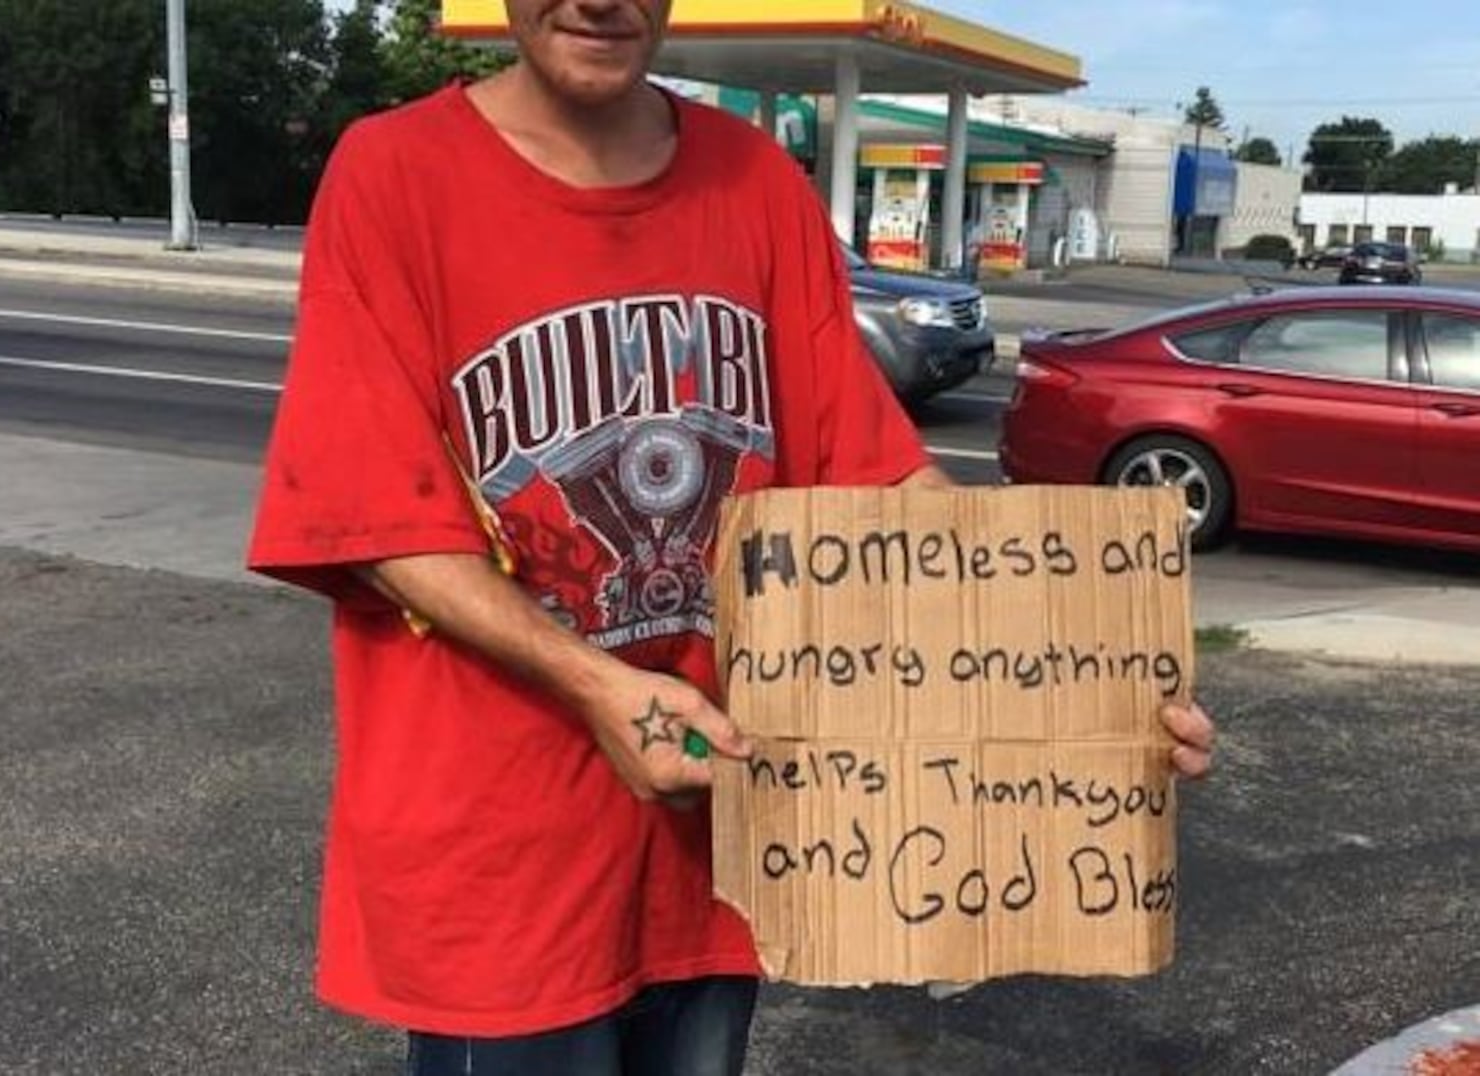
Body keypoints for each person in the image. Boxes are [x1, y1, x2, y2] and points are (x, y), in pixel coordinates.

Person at [247, 2, 1217, 1073]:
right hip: (501, 860)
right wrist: (595, 685)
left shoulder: (751, 181)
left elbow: (878, 477)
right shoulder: (394, 173)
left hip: (724, 832)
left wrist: (1092, 680)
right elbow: (374, 516)